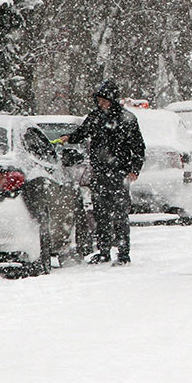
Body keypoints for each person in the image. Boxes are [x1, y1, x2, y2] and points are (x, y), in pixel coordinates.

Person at [59, 80, 145, 265]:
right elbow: (82, 132)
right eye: (98, 100)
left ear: (112, 100)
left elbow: (138, 147)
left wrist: (134, 170)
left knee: (120, 214)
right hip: (99, 173)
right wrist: (69, 138)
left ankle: (123, 254)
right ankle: (104, 251)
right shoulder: (95, 117)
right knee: (101, 213)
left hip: (119, 173)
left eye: (104, 100)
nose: (101, 103)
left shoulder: (127, 119)